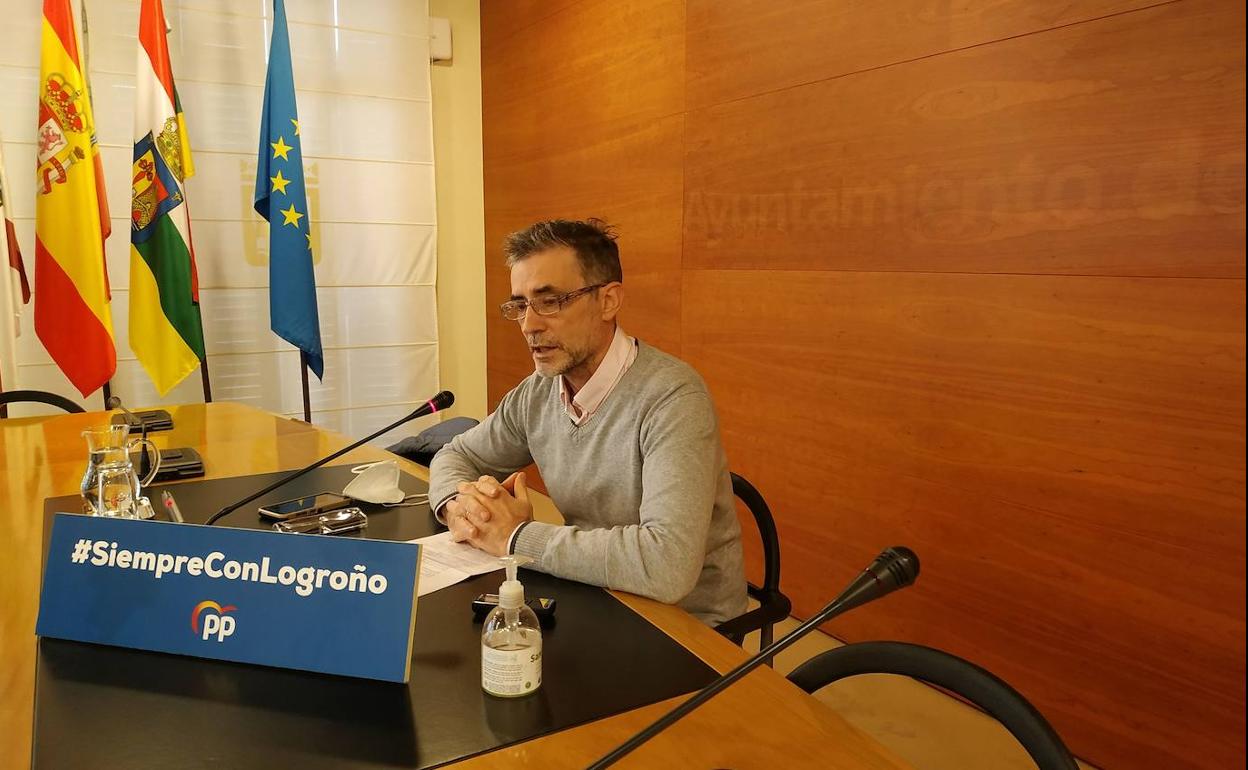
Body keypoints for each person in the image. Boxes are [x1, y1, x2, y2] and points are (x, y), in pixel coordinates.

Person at [428, 219, 747, 625]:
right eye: (520, 305)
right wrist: (458, 507)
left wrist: (515, 537)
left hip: (685, 624)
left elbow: (667, 566)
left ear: (609, 301)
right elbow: (457, 453)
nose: (529, 325)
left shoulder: (673, 398)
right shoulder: (538, 391)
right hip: (596, 593)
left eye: (551, 301)